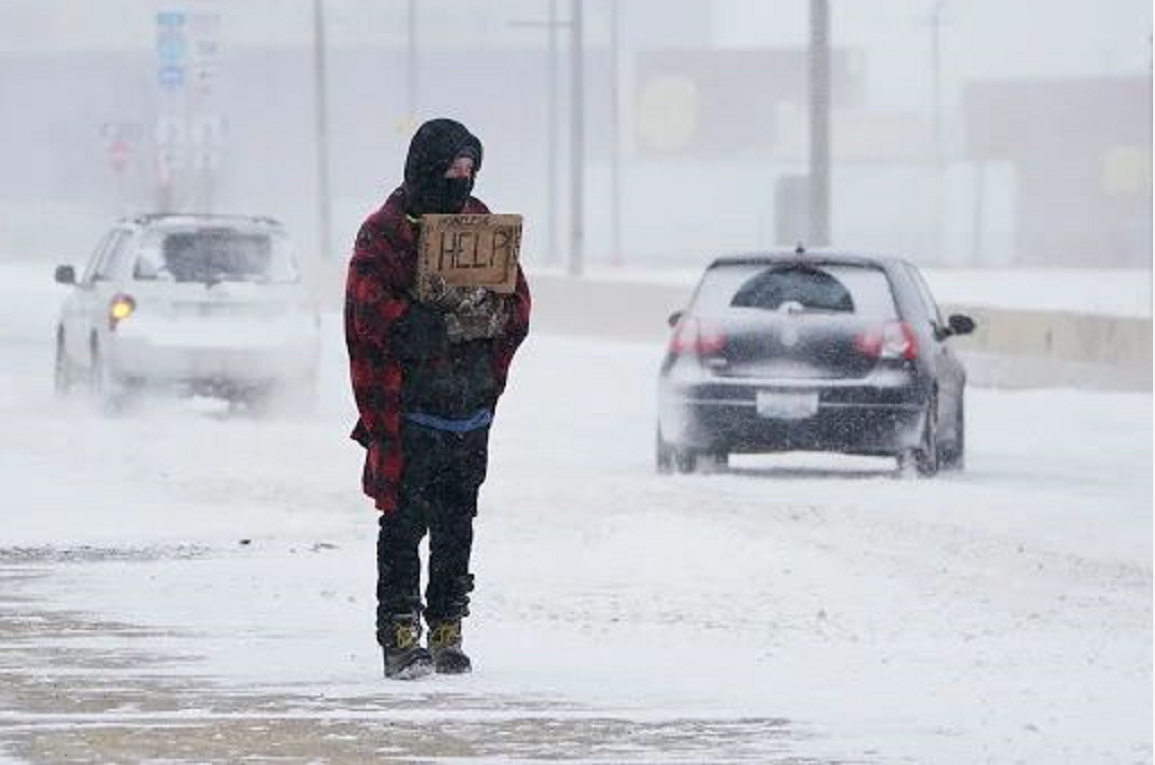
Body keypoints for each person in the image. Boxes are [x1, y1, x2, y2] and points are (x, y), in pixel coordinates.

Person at [344, 118, 531, 679]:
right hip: (408, 408)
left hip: (468, 407)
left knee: (457, 522)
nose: (461, 182)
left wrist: (491, 316)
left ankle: (448, 627)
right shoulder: (384, 233)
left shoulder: (478, 226)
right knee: (403, 522)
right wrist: (415, 325)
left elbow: (517, 300)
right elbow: (365, 310)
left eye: (469, 172)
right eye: (451, 171)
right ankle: (401, 632)